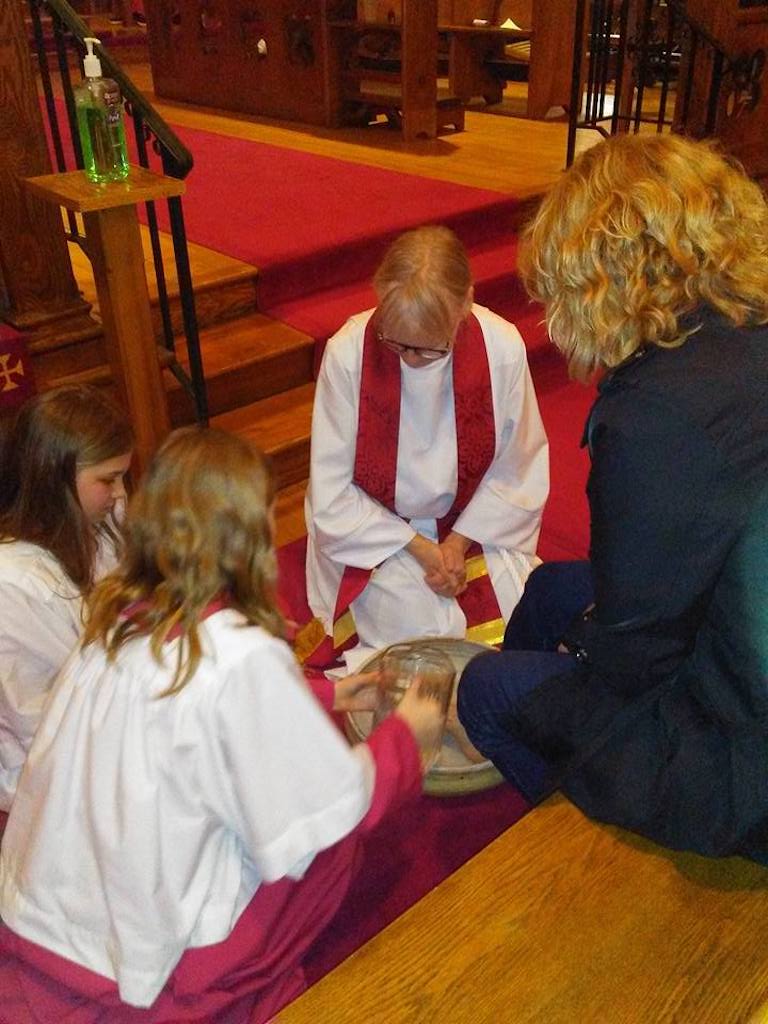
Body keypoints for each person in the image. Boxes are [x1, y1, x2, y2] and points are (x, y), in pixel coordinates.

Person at [0, 427, 447, 1023]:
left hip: (61, 896)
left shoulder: (123, 617)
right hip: (150, 933)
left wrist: (329, 692)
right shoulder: (234, 652)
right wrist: (404, 739)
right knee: (325, 853)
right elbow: (334, 805)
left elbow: (189, 718)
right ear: (246, 538)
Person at [457, 133, 768, 862]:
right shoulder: (743, 331)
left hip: (744, 763)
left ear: (597, 277)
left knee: (485, 688)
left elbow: (639, 656)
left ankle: (575, 855)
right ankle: (572, 764)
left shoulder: (655, 412)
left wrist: (586, 655)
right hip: (740, 638)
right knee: (546, 590)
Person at [305, 225, 549, 669]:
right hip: (379, 536)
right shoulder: (348, 354)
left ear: (465, 304)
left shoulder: (501, 347)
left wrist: (456, 543)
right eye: (396, 343)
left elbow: (519, 466)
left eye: (426, 350)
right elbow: (332, 492)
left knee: (520, 618)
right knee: (416, 640)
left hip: (477, 524)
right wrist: (421, 548)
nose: (409, 361)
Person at [0, 384, 132, 812]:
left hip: (108, 717)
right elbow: (40, 718)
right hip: (50, 764)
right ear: (53, 477)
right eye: (108, 479)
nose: (120, 493)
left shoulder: (96, 524)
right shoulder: (14, 583)